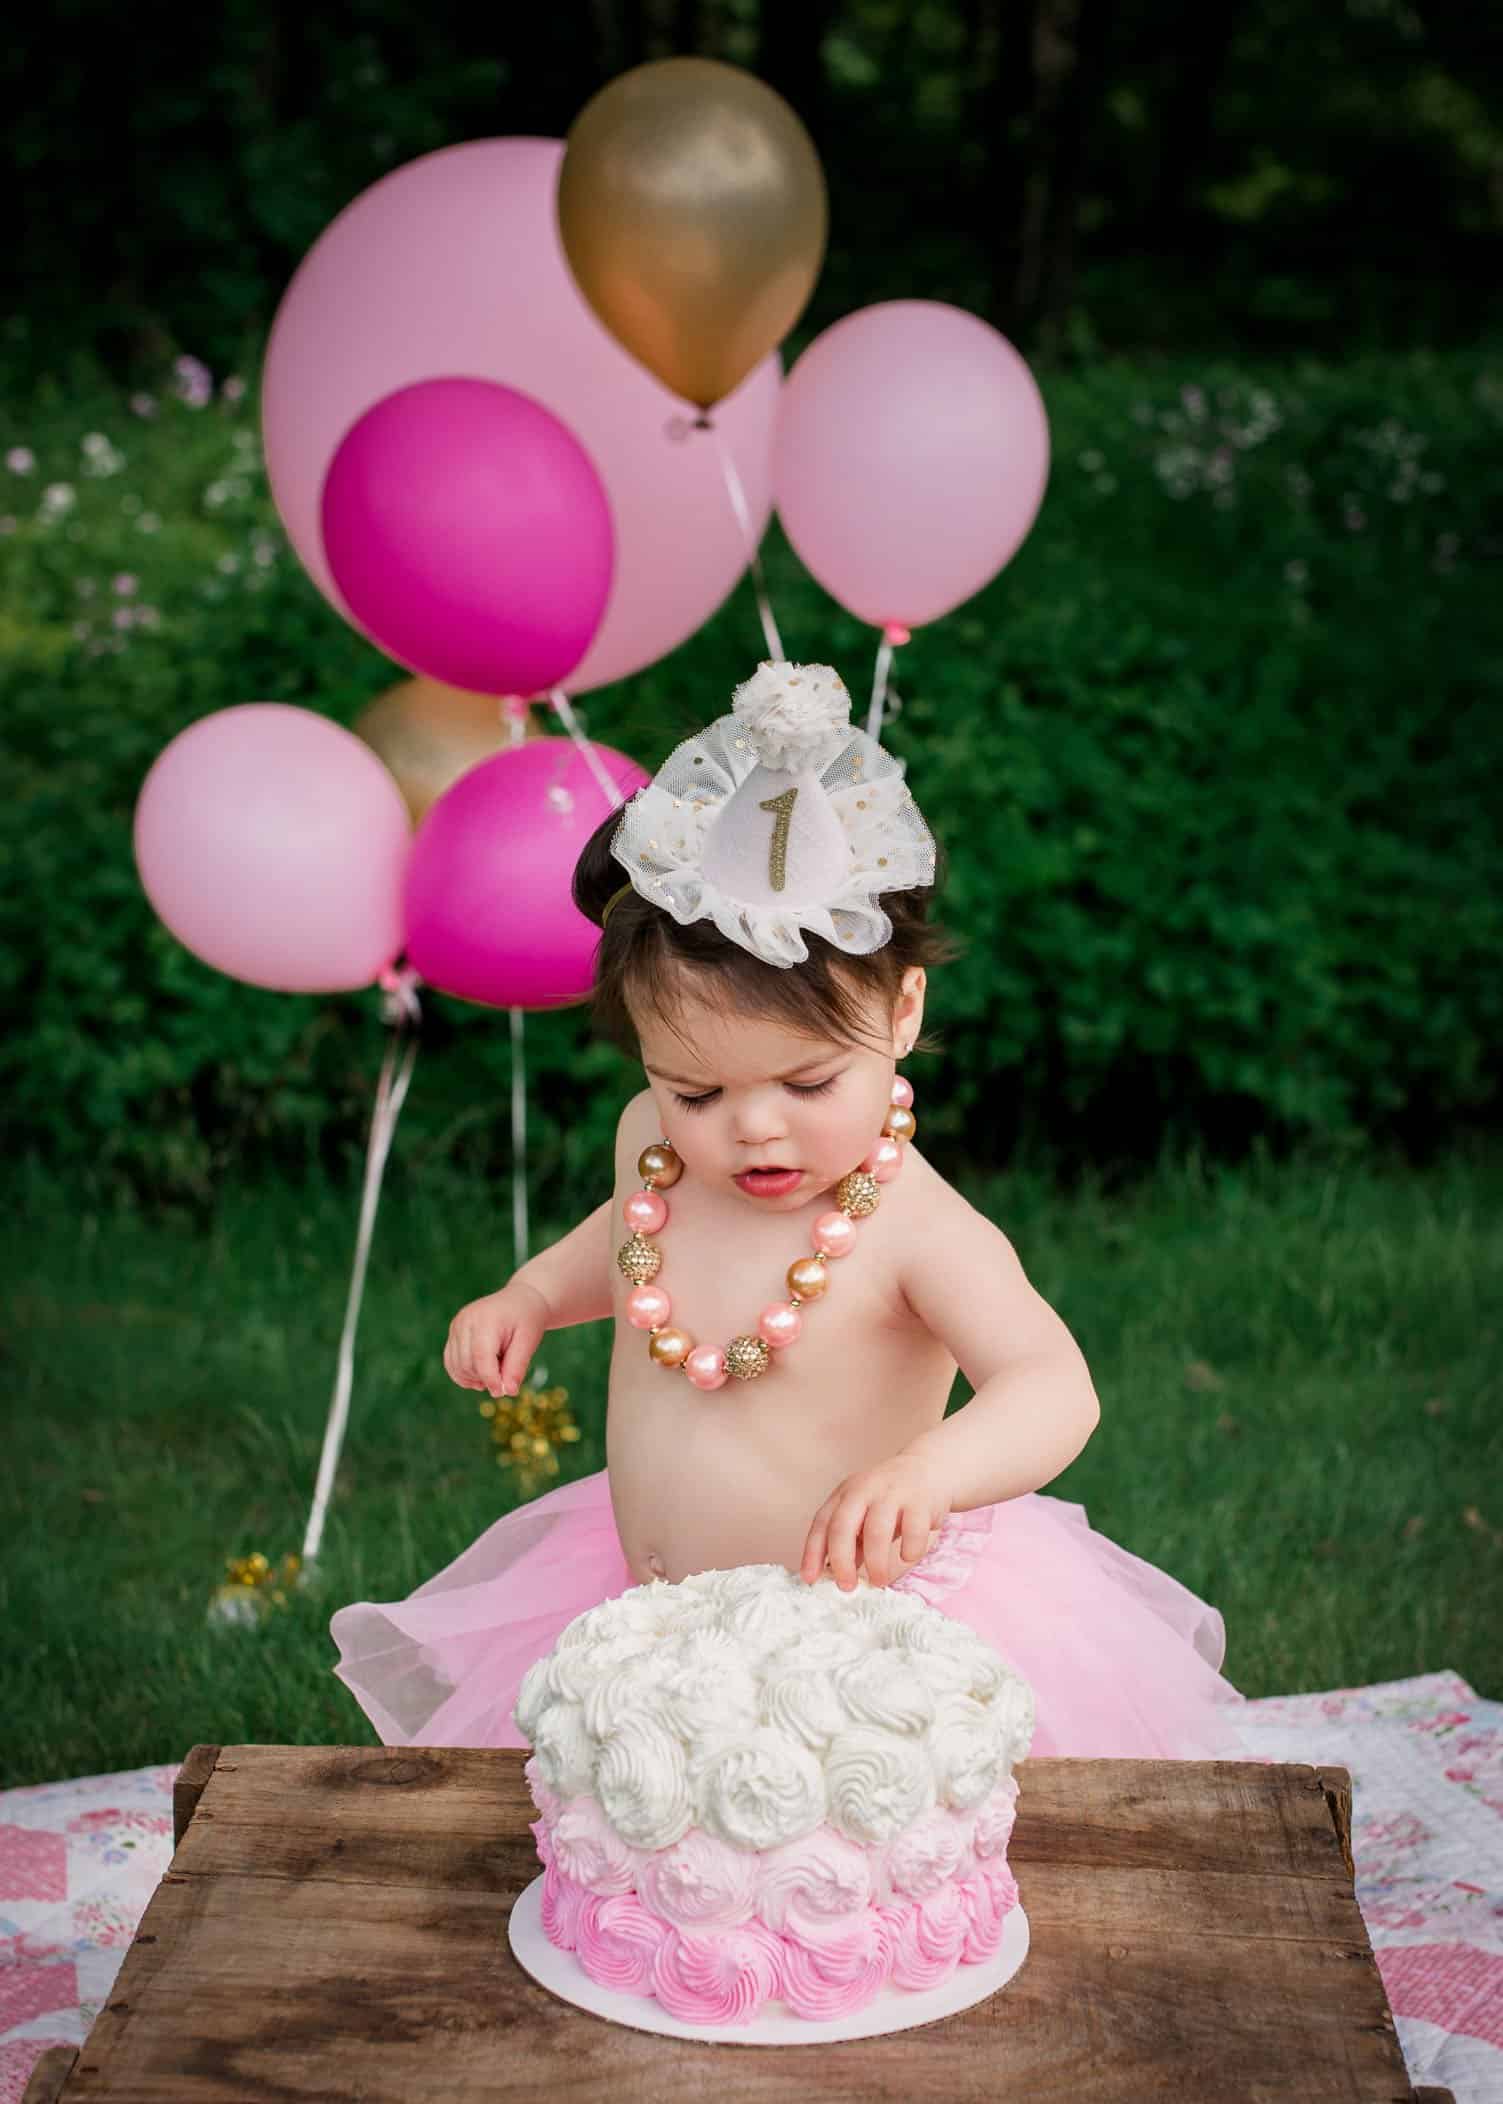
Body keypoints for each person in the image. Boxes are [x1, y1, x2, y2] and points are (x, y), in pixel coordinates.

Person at [330, 660, 1246, 1758]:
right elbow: (629, 1232)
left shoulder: (918, 1227)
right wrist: (534, 1291)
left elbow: (1055, 1387)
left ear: (902, 1012)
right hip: (643, 1602)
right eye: (697, 1089)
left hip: (852, 1635)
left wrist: (927, 1472)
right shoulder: (653, 1141)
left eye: (807, 1085)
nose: (750, 1130)